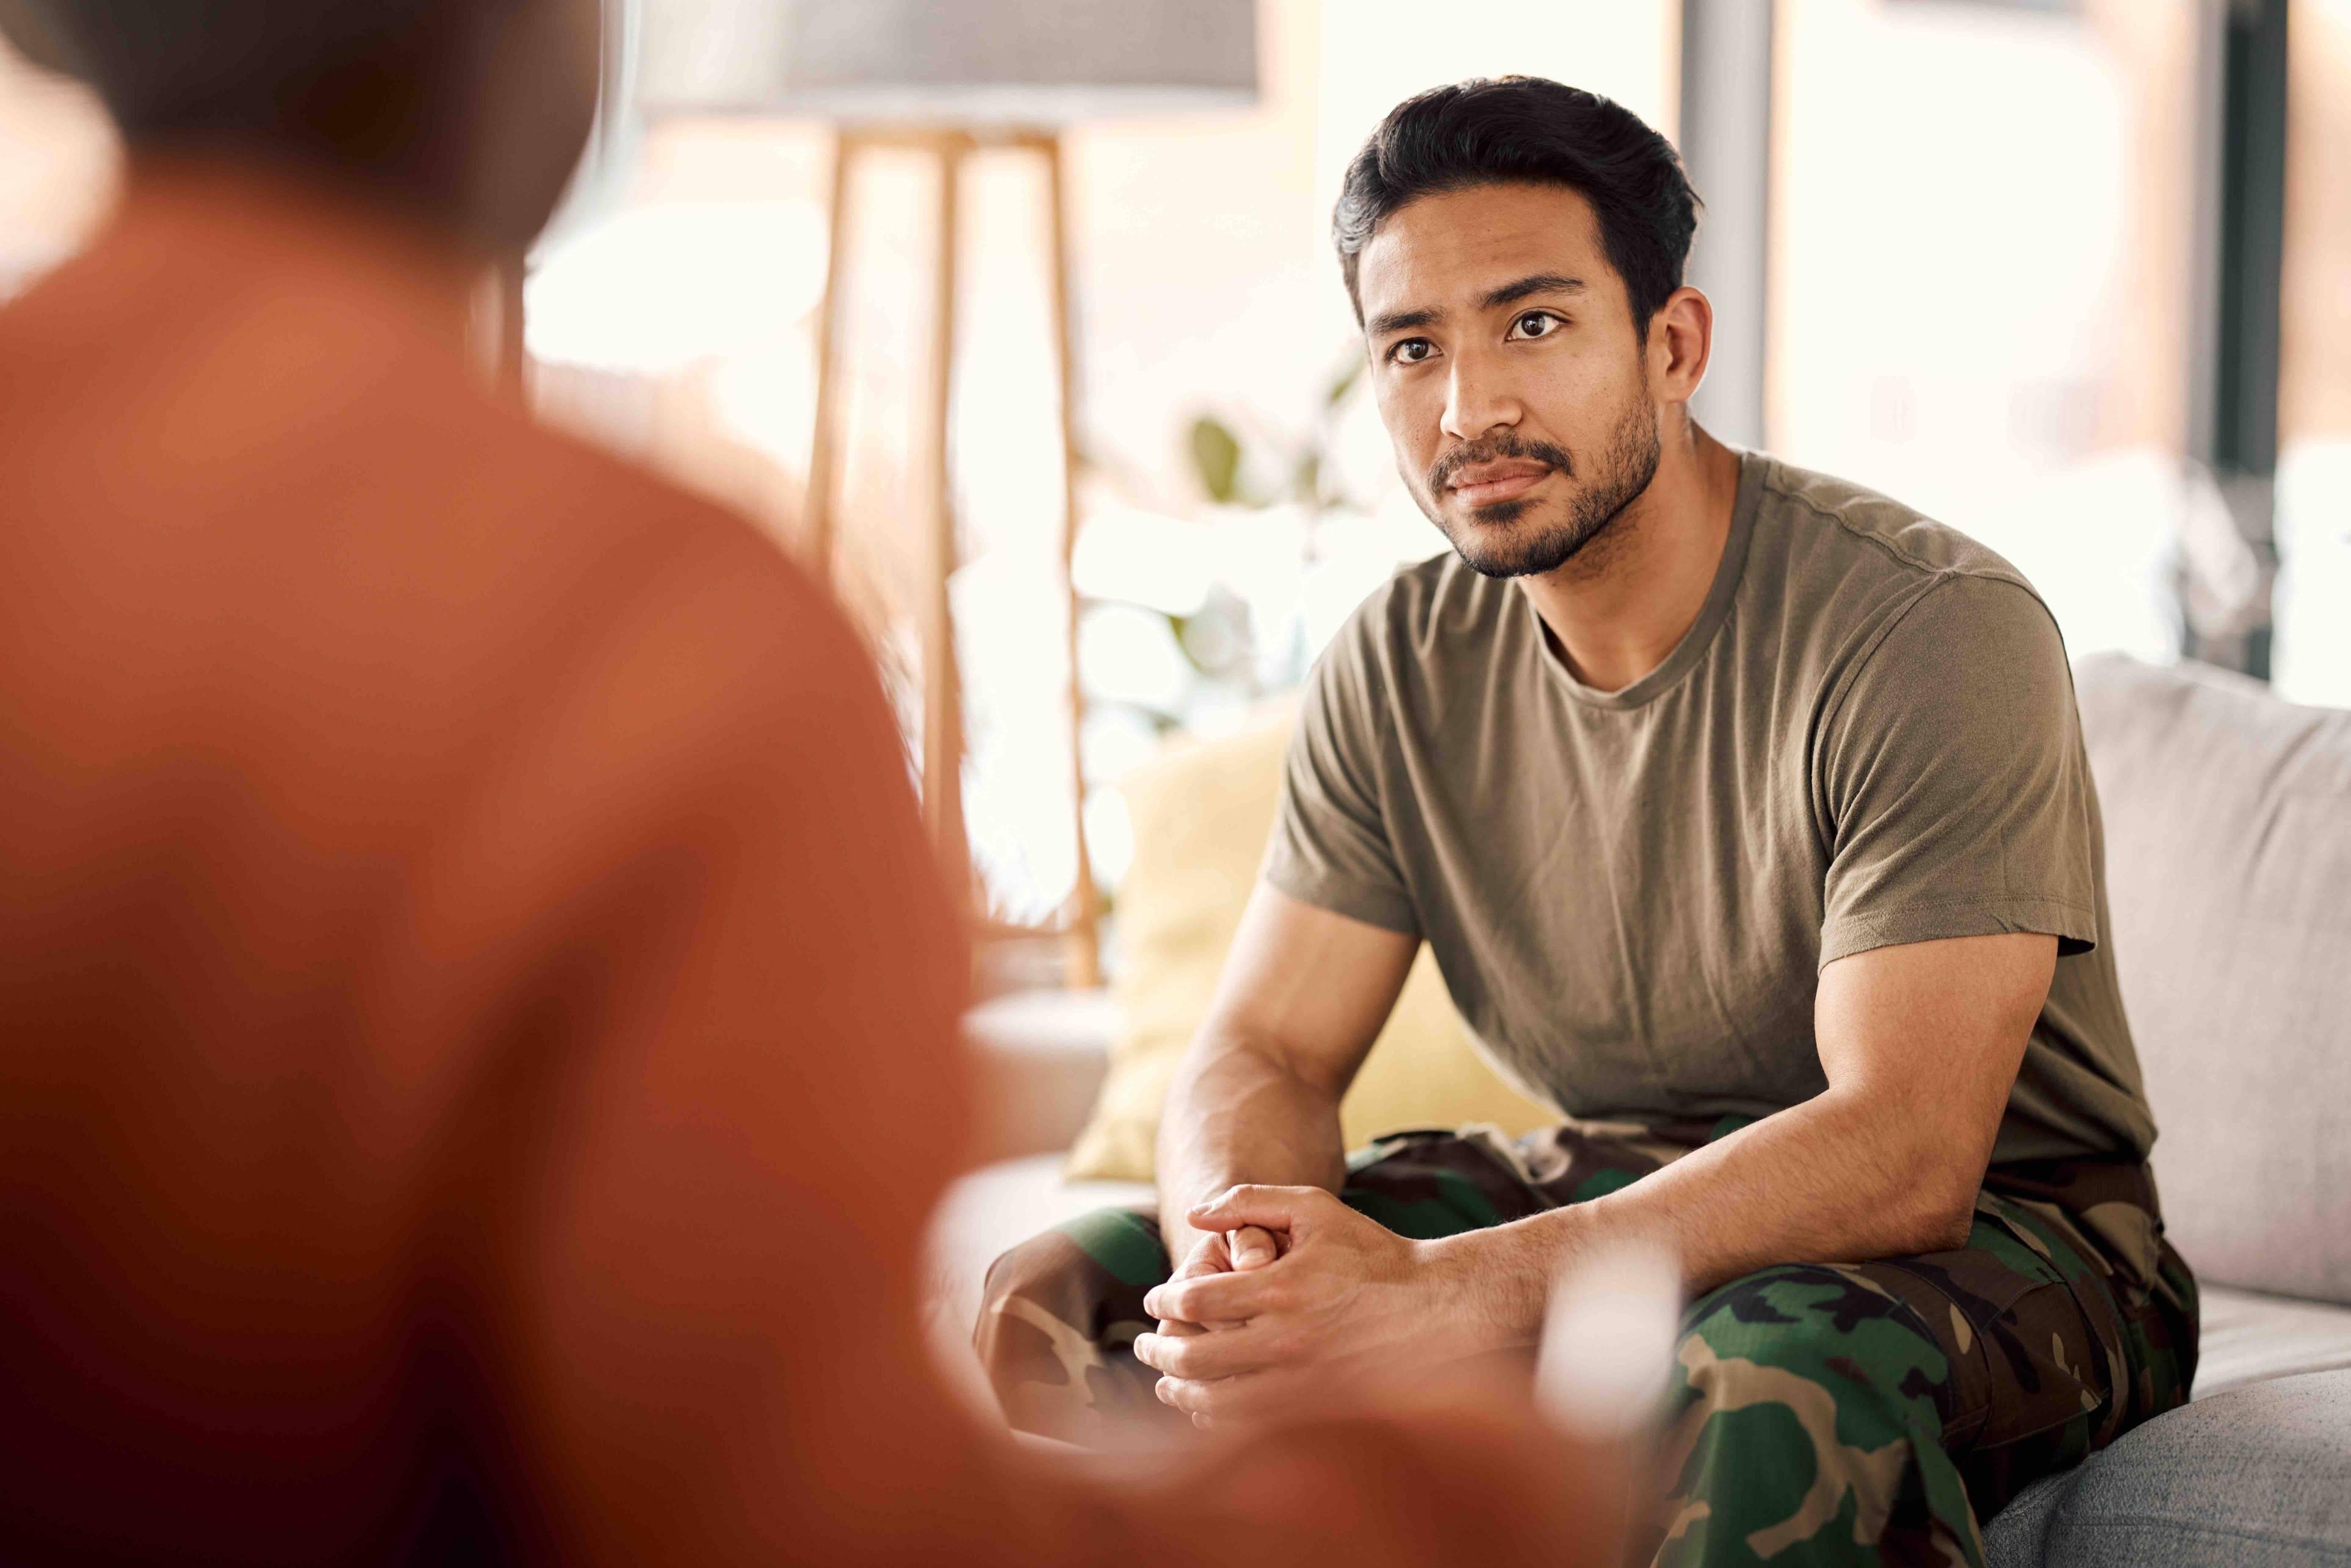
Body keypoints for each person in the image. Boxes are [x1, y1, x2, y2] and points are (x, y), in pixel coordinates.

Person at [0, 12, 1623, 1563]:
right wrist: (1440, 1492)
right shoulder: (635, 644)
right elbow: (808, 1529)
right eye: (1415, 340)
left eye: (1528, 323)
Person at [979, 75, 2200, 1567]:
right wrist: (1245, 1275)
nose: (1468, 407)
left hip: (2018, 1228)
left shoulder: (1929, 627)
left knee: (1764, 1375)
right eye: (1413, 347)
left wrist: (1444, 1294)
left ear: (1671, 343)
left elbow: (1905, 1145)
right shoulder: (1402, 658)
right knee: (1065, 1293)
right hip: (1620, 1171)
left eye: (1534, 325)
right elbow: (1267, 1051)